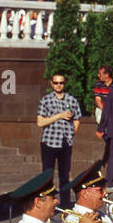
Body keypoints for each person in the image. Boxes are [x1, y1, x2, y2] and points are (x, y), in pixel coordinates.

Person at [36, 72, 82, 201]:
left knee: (64, 175)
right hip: (49, 142)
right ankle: (47, 201)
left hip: (65, 143)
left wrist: (72, 133)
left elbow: (77, 118)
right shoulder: (46, 100)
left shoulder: (71, 100)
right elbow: (40, 122)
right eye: (56, 83)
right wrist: (59, 116)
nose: (58, 85)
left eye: (61, 83)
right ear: (51, 84)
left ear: (65, 84)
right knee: (47, 175)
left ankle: (65, 203)